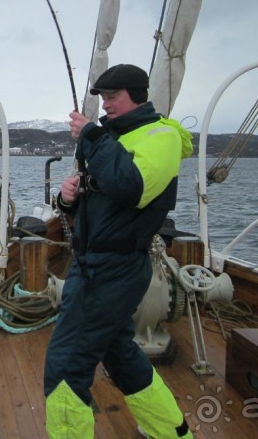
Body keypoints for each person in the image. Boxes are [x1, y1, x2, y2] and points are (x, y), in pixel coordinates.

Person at [44, 63, 194, 439]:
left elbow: (132, 187)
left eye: (112, 97)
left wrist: (92, 136)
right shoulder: (117, 139)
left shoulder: (161, 136)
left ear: (137, 95)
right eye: (103, 98)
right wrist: (69, 200)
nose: (105, 105)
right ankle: (172, 434)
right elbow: (107, 200)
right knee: (120, 355)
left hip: (113, 269)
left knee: (65, 365)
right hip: (93, 263)